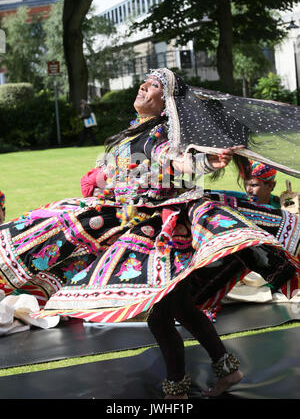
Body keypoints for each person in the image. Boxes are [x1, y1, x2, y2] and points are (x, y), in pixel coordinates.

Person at [1, 68, 300, 399]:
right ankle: (225, 370)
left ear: (166, 103)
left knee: (163, 315)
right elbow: (124, 173)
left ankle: (178, 390)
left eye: (155, 85)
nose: (144, 86)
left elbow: (178, 160)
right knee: (180, 309)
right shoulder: (135, 131)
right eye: (145, 82)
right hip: (135, 222)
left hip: (165, 235)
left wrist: (209, 162)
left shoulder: (162, 137)